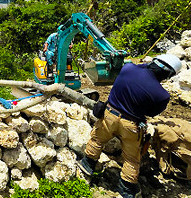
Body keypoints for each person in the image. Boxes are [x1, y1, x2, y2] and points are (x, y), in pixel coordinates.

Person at [77, 54, 182, 198]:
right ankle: (126, 189)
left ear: (153, 62)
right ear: (168, 74)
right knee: (132, 159)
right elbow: (151, 113)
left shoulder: (128, 68)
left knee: (97, 140)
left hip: (109, 116)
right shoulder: (162, 95)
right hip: (131, 125)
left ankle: (88, 164)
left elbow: (136, 68)